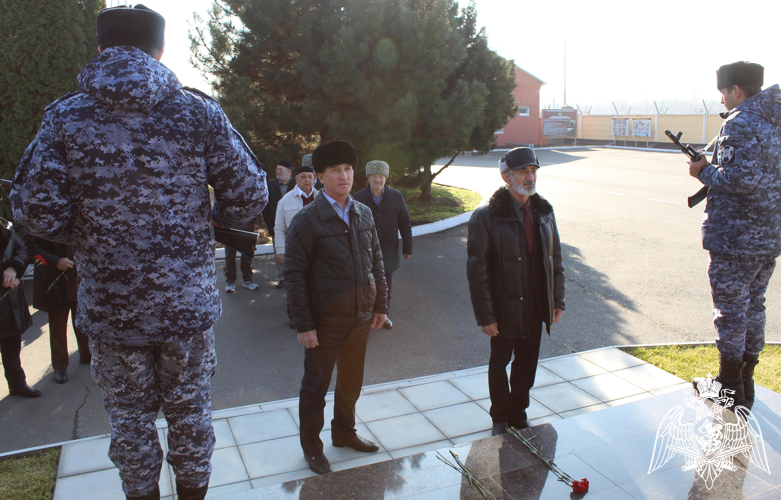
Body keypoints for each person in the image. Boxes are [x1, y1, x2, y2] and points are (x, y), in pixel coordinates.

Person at [10, 5, 268, 500]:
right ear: (160, 50)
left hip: (111, 309)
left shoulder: (65, 116)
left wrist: (87, 227)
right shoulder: (199, 110)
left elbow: (37, 213)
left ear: (101, 49)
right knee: (190, 409)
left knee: (128, 416)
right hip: (185, 307)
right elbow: (249, 199)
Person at [284, 140, 388, 475]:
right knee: (315, 387)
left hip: (359, 318)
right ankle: (312, 447)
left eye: (347, 169)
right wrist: (304, 325)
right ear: (319, 176)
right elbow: (295, 277)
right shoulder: (307, 220)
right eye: (335, 171)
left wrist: (380, 306)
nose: (343, 176)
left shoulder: (363, 212)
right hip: (324, 323)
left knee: (351, 382)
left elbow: (377, 262)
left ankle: (344, 433)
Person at [688, 62, 781, 410]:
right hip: (768, 237)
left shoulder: (740, 124)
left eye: (724, 92)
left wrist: (703, 170)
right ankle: (746, 383)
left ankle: (728, 387)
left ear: (736, 90)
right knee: (754, 306)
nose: (723, 100)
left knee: (730, 311)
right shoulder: (775, 122)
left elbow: (740, 179)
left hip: (735, 239)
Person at [466, 147, 565, 435]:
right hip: (504, 306)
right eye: (523, 171)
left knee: (527, 363)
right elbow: (477, 271)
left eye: (533, 171)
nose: (530, 177)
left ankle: (519, 412)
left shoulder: (544, 212)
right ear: (506, 176)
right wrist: (486, 316)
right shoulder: (486, 217)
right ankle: (500, 417)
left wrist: (556, 299)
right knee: (499, 364)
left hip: (535, 305)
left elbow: (555, 258)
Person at [23, 236, 91, 384]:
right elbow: (29, 244)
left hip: (79, 274)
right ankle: (60, 365)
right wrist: (55, 261)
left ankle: (87, 354)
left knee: (82, 318)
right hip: (54, 276)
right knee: (58, 324)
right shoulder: (40, 216)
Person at [353, 160, 412, 329]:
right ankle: (367, 316)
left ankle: (384, 315)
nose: (377, 180)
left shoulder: (396, 196)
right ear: (368, 177)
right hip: (365, 250)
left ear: (385, 178)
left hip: (388, 250)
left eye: (380, 176)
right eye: (374, 176)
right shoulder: (357, 198)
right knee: (366, 286)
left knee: (386, 286)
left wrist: (407, 246)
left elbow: (405, 222)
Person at [0, 190, 39, 399]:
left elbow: (22, 249)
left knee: (11, 344)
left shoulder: (5, 226)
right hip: (5, 290)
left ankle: (17, 383)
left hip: (8, 301)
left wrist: (14, 269)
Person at [274, 165, 318, 329]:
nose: (307, 180)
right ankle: (294, 316)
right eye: (303, 177)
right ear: (296, 179)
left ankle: (314, 314)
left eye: (310, 177)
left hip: (317, 251)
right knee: (296, 284)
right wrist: (280, 250)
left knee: (315, 283)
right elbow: (279, 228)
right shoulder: (285, 201)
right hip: (294, 250)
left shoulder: (321, 197)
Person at [262, 160, 296, 289]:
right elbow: (265, 206)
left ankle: (294, 277)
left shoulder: (296, 184)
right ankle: (282, 278)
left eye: (281, 169)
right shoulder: (270, 185)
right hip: (276, 225)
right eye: (277, 170)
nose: (278, 172)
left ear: (289, 172)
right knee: (279, 252)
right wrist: (269, 221)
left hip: (294, 225)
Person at [223, 220, 258, 293]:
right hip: (229, 228)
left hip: (247, 227)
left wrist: (257, 222)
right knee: (230, 255)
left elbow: (254, 208)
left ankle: (247, 279)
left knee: (247, 254)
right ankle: (230, 281)